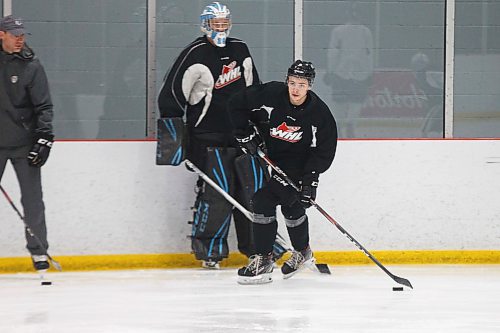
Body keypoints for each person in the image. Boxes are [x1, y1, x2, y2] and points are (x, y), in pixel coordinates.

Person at [157, 2, 286, 269]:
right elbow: (170, 97)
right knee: (217, 194)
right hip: (207, 138)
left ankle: (261, 248)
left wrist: (262, 130)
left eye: (224, 22)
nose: (220, 27)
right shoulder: (195, 54)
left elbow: (255, 93)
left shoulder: (241, 50)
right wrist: (175, 144)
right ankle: (210, 252)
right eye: (216, 23)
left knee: (255, 192)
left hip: (242, 136)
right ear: (205, 24)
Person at [228, 60, 338, 284]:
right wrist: (244, 133)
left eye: (302, 84)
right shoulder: (272, 93)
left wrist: (310, 182)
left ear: (310, 86)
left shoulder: (319, 113)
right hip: (274, 157)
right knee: (290, 203)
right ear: (287, 81)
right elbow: (235, 103)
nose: (296, 89)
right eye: (292, 83)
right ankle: (302, 251)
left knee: (263, 201)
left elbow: (324, 151)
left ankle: (266, 258)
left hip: (300, 163)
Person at [0, 15, 54, 272]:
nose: (20, 39)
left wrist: (44, 138)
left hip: (23, 143)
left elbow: (44, 106)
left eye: (22, 34)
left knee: (33, 199)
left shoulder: (32, 65)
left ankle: (39, 251)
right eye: (14, 34)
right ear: (2, 35)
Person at [324, 1, 373, 137]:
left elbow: (333, 53)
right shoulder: (365, 32)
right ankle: (350, 124)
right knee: (356, 101)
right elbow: (369, 54)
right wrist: (369, 72)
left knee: (340, 101)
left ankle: (339, 125)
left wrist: (330, 70)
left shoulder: (339, 31)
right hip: (360, 73)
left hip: (341, 72)